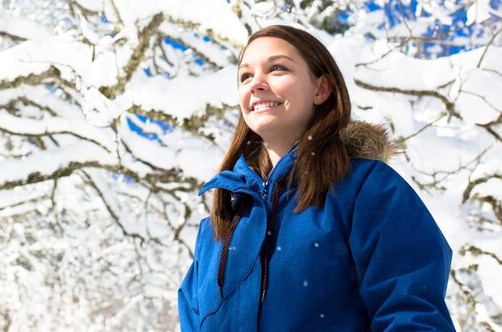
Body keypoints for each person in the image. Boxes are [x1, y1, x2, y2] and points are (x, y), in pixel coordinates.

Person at [178, 25, 454, 331]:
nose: (255, 84)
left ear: (321, 89)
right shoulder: (218, 229)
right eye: (245, 76)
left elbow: (411, 314)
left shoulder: (368, 189)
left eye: (277, 68)